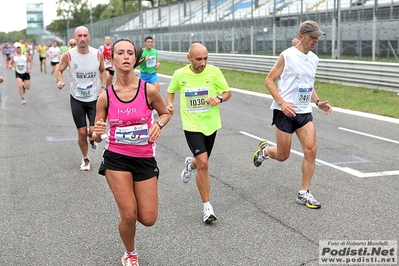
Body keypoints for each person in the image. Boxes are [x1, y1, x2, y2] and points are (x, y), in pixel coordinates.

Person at [92, 38, 170, 266]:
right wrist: (96, 132)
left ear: (135, 59)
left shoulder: (149, 90)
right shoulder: (106, 96)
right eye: (120, 53)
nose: (125, 56)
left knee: (148, 218)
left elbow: (165, 113)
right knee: (129, 214)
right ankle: (131, 253)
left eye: (129, 53)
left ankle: (131, 239)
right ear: (112, 59)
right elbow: (97, 135)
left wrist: (159, 124)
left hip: (145, 158)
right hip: (116, 158)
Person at [251, 20, 332, 209]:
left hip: (304, 111)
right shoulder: (286, 56)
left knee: (311, 150)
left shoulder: (314, 59)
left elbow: (308, 85)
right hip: (284, 112)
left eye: (318, 37)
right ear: (302, 36)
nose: (316, 40)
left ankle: (304, 193)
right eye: (312, 37)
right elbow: (269, 81)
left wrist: (318, 102)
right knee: (282, 155)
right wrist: (282, 103)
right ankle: (265, 151)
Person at [166, 43, 232, 223]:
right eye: (198, 59)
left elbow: (227, 92)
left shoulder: (214, 72)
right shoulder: (180, 75)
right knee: (203, 164)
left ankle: (189, 164)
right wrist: (170, 104)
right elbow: (170, 91)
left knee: (201, 162)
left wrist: (218, 98)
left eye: (205, 58)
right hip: (191, 125)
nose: (202, 63)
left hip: (211, 124)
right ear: (189, 58)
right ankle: (207, 207)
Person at [55, 26, 106, 171]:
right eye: (79, 36)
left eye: (85, 36)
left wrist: (103, 87)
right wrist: (59, 80)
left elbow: (103, 71)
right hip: (77, 98)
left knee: (94, 132)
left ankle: (92, 140)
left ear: (89, 37)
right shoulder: (69, 55)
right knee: (82, 132)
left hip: (95, 98)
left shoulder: (97, 54)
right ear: (75, 37)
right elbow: (59, 70)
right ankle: (85, 158)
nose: (82, 39)